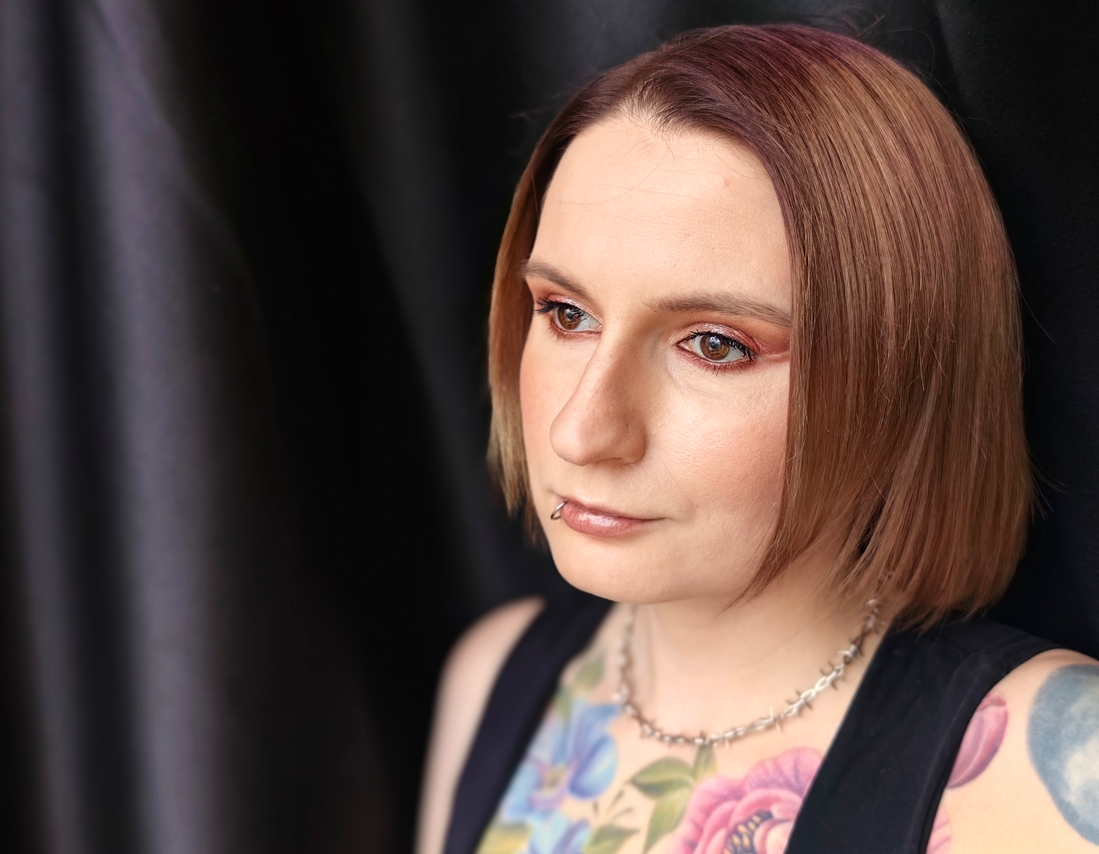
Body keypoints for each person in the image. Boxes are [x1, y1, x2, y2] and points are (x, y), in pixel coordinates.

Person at [416, 24, 1099, 854]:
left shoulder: (1057, 763)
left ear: (899, 377)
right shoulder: (493, 679)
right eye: (565, 314)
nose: (581, 431)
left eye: (714, 345)